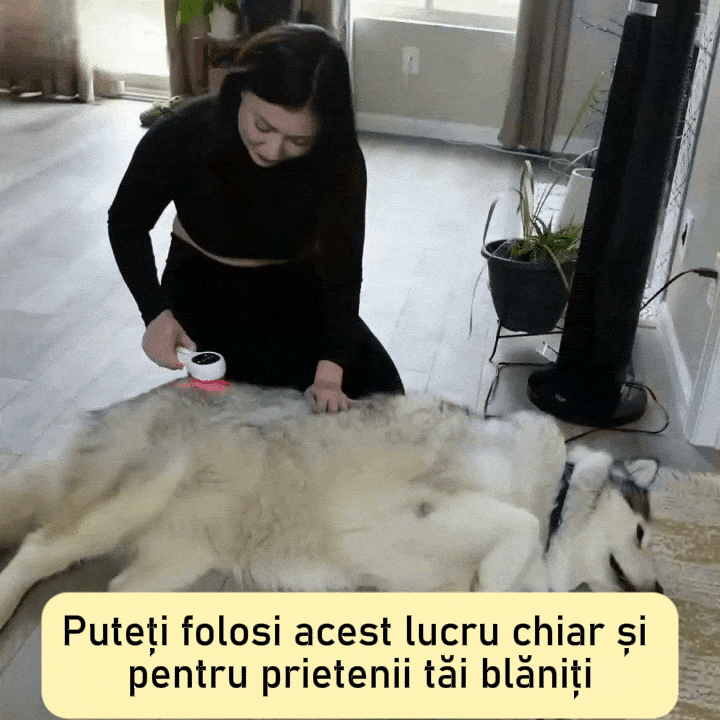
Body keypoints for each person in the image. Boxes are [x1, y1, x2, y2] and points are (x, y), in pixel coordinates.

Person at [108, 23, 404, 412]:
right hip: (204, 282)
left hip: (295, 282)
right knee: (262, 396)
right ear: (240, 91)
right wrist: (155, 312)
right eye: (263, 126)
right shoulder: (185, 132)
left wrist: (331, 370)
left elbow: (343, 265)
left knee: (384, 394)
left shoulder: (339, 156)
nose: (273, 150)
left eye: (298, 140)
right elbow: (126, 223)